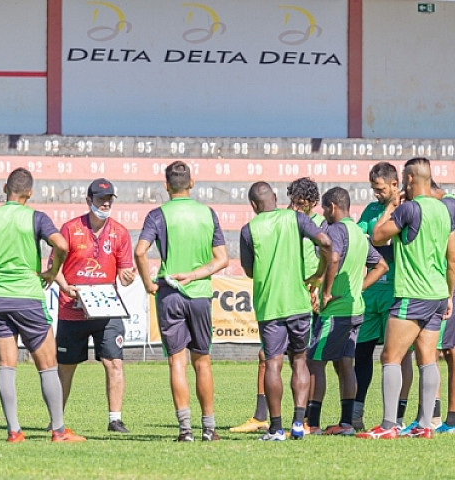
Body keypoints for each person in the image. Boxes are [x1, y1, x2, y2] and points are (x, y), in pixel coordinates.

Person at [0, 167, 85, 443]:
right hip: (28, 297)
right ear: (30, 193)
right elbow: (61, 244)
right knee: (48, 365)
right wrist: (52, 271)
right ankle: (59, 431)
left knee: (6, 365)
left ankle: (14, 431)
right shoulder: (36, 217)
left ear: (4, 188)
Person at [357, 157, 455, 440]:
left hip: (412, 294)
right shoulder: (444, 211)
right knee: (427, 359)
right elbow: (453, 260)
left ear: (410, 179)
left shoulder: (410, 209)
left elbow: (377, 236)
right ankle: (426, 424)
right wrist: (449, 296)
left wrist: (391, 206)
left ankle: (388, 425)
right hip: (438, 295)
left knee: (390, 357)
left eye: (403, 178)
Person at [134, 161, 229, 442]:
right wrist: (195, 274)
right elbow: (222, 259)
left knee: (177, 361)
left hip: (170, 293)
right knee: (203, 361)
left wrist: (148, 282)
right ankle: (209, 429)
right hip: (199, 293)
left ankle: (185, 429)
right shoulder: (207, 213)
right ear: (192, 183)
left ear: (166, 186)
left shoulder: (157, 215)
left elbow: (140, 252)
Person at [230, 177, 324, 434]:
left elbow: (248, 271)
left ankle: (276, 428)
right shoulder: (295, 219)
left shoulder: (248, 230)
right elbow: (326, 243)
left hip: (270, 305)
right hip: (299, 303)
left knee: (272, 363)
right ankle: (299, 422)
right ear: (275, 199)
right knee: (300, 361)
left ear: (253, 204)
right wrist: (318, 276)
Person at [401, 181, 455, 435]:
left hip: (446, 285)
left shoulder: (443, 207)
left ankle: (431, 418)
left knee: (430, 350)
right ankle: (452, 421)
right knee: (454, 352)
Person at [54, 178, 136, 433]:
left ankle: (115, 419)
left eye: (109, 198)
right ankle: (57, 420)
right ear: (89, 200)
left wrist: (128, 277)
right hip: (72, 307)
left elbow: (125, 272)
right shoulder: (69, 229)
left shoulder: (120, 232)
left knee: (115, 362)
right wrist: (65, 286)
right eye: (101, 199)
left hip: (107, 310)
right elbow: (53, 269)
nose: (106, 203)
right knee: (66, 367)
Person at [305, 187, 388, 436]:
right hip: (355, 309)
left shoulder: (336, 229)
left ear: (332, 207)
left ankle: (312, 423)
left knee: (314, 363)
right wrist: (358, 288)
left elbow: (333, 257)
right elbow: (381, 265)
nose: (322, 213)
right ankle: (346, 423)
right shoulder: (360, 233)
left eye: (324, 208)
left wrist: (326, 291)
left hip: (336, 310)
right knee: (345, 364)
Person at [352, 162, 413, 430]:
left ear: (394, 184)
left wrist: (381, 232)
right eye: (373, 189)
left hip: (396, 290)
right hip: (372, 290)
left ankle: (397, 418)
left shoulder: (409, 209)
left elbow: (378, 240)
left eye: (379, 189)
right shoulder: (371, 209)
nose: (375, 193)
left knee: (399, 356)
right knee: (362, 353)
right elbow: (365, 239)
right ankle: (356, 414)